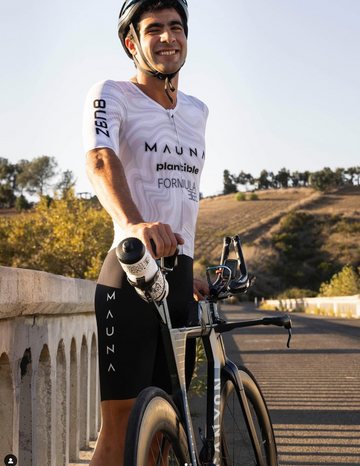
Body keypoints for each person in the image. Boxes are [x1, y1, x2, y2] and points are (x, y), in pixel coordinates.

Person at [83, 1, 209, 464]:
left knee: (166, 426)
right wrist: (132, 223)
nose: (168, 37)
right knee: (121, 430)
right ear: (132, 42)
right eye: (154, 29)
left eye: (176, 27)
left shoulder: (198, 111)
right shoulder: (112, 93)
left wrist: (189, 265)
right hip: (131, 274)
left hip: (178, 282)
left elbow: (185, 193)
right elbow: (100, 159)